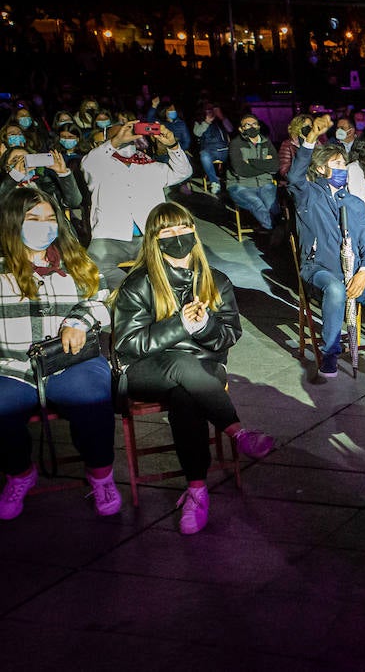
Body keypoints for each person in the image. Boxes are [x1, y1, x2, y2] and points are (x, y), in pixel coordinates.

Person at [111, 202, 273, 534]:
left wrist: (204, 327)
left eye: (183, 228)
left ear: (193, 232)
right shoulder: (139, 283)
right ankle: (238, 431)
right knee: (180, 364)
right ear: (154, 240)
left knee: (186, 397)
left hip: (204, 370)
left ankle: (197, 491)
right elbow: (128, 344)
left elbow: (228, 337)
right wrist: (179, 325)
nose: (177, 236)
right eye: (167, 231)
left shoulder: (217, 281)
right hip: (146, 370)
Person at [0, 188, 119, 520]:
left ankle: (101, 475)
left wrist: (80, 320)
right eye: (33, 219)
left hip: (70, 360)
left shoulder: (75, 260)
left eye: (50, 218)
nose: (44, 225)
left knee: (92, 398)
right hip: (12, 365)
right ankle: (19, 473)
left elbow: (104, 299)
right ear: (13, 222)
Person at [286, 118, 365, 378]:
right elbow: (294, 177)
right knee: (336, 290)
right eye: (336, 164)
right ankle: (330, 353)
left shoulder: (355, 203)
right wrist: (311, 139)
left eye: (343, 165)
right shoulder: (310, 195)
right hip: (320, 269)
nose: (343, 169)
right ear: (322, 169)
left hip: (354, 272)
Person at [82, 122, 192, 290]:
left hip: (151, 236)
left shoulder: (150, 165)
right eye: (117, 135)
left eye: (130, 133)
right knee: (91, 268)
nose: (126, 136)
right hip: (110, 238)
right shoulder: (99, 166)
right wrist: (116, 142)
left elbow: (183, 172)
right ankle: (132, 293)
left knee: (180, 264)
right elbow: (89, 164)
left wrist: (172, 145)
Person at [225, 114, 280, 231]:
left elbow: (275, 166)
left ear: (259, 126)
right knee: (257, 204)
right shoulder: (236, 144)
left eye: (254, 124)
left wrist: (251, 162)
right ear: (241, 129)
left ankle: (277, 232)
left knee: (273, 207)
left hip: (265, 183)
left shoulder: (266, 142)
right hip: (240, 184)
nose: (251, 127)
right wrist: (264, 164)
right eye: (247, 125)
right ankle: (275, 232)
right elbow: (240, 170)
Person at [193, 104, 232, 195]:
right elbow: (197, 133)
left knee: (237, 153)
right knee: (204, 155)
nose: (210, 113)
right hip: (210, 151)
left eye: (211, 110)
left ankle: (236, 180)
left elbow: (230, 129)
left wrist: (222, 117)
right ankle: (215, 182)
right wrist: (206, 122)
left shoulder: (221, 121)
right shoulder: (199, 122)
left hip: (225, 150)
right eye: (207, 110)